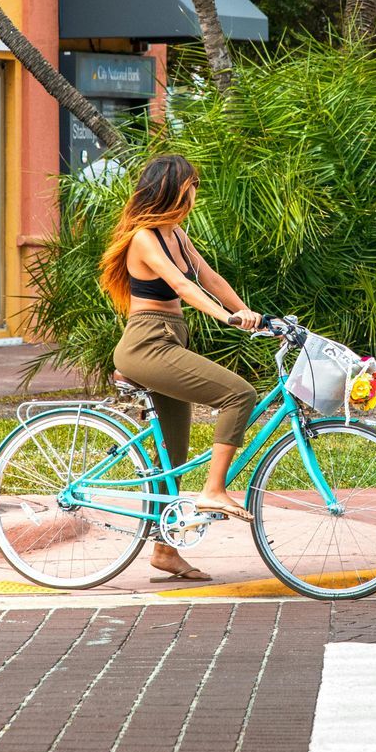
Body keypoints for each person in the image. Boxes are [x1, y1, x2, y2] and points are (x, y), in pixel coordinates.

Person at [99, 154, 260, 583]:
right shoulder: (144, 238)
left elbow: (209, 277)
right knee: (239, 394)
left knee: (172, 451)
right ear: (173, 187)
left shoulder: (176, 234)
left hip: (171, 339)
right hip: (147, 343)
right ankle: (213, 491)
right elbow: (183, 286)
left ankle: (165, 551)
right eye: (192, 184)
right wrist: (225, 318)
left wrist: (250, 314)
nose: (196, 191)